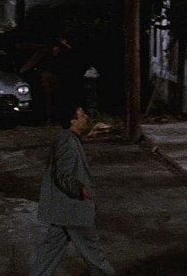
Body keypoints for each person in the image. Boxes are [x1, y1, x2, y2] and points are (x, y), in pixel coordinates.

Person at [29, 105, 116, 276]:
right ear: (73, 121)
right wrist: (80, 188)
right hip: (73, 209)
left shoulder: (70, 139)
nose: (86, 117)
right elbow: (62, 174)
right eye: (82, 115)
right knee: (93, 253)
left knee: (50, 252)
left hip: (63, 211)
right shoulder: (67, 142)